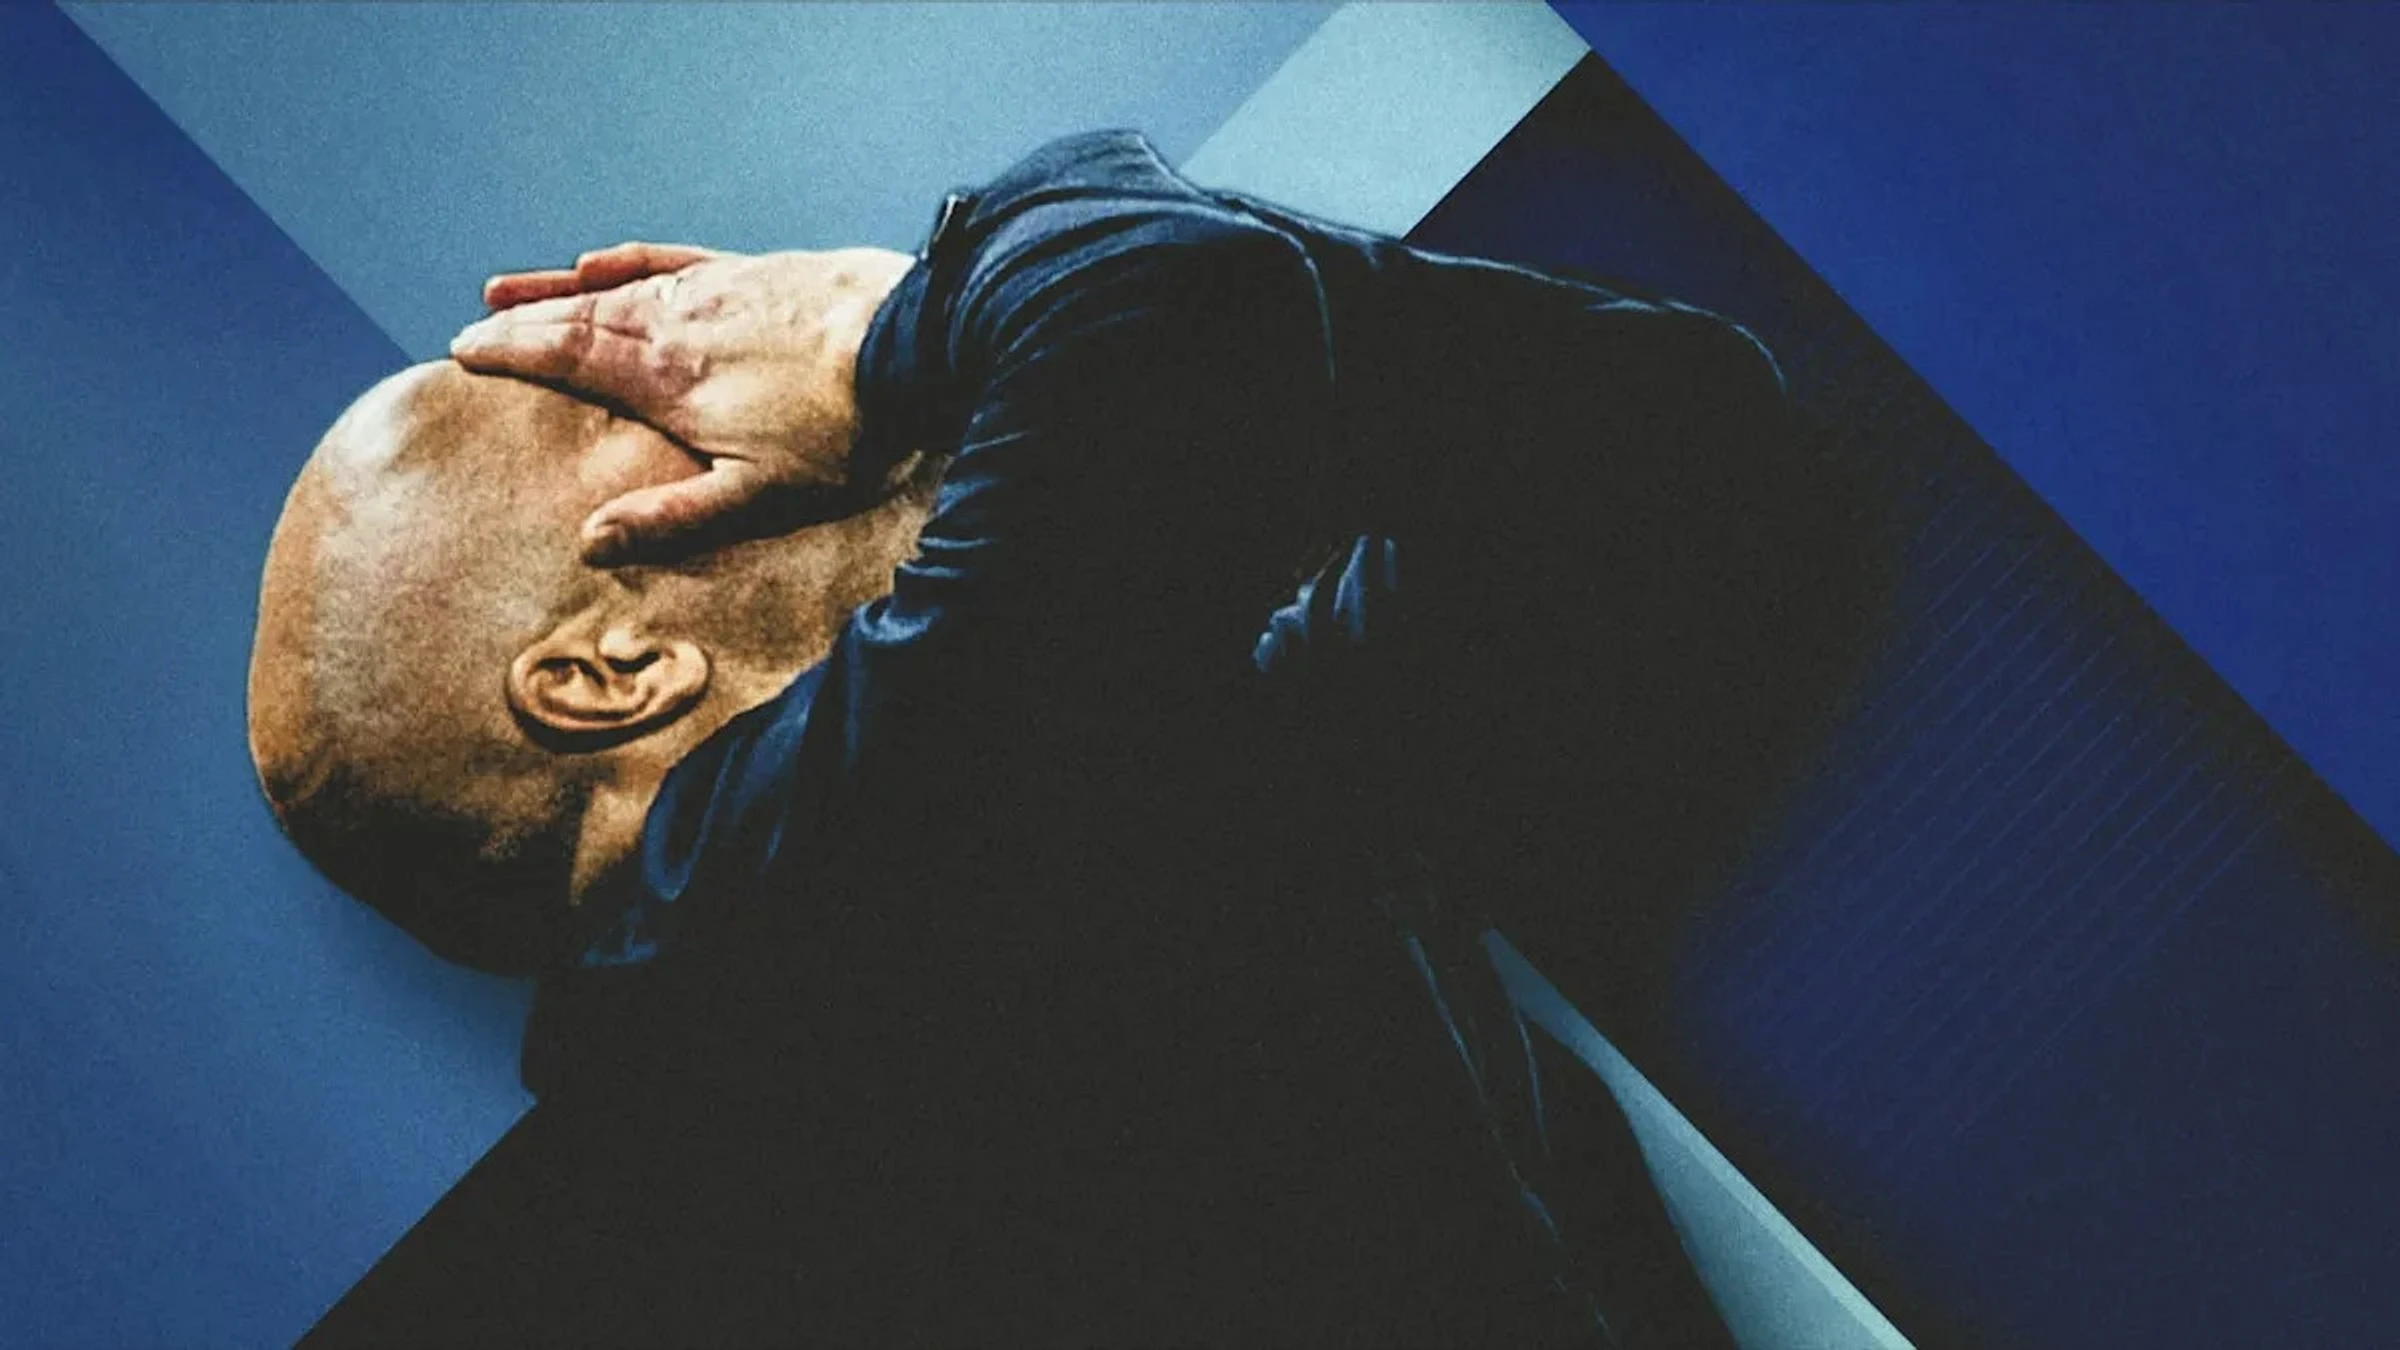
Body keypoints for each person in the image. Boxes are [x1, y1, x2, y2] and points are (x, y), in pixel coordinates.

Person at [258, 129, 1887, 1347]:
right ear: (608, 674)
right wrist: (894, 326)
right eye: (635, 396)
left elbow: (1687, 455)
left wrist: (1000, 320)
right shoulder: (792, 957)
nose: (718, 362)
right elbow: (1175, 318)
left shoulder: (1069, 816)